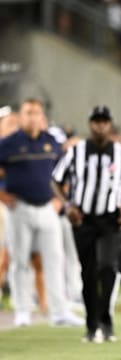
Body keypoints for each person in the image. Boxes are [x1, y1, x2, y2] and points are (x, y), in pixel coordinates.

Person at [52, 105, 121, 343]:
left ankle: (105, 319)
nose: (100, 126)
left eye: (104, 122)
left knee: (108, 266)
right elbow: (57, 180)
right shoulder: (76, 152)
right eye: (96, 122)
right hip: (84, 218)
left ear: (109, 124)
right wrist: (68, 205)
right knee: (88, 272)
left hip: (110, 218)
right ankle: (92, 326)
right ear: (90, 124)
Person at [0, 98, 84, 327]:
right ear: (20, 116)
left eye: (36, 113)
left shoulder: (50, 142)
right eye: (28, 113)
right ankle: (22, 311)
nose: (33, 117)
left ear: (41, 116)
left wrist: (61, 201)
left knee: (55, 258)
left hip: (47, 207)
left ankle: (59, 312)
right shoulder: (9, 143)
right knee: (19, 260)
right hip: (19, 207)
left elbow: (64, 173)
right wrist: (3, 196)